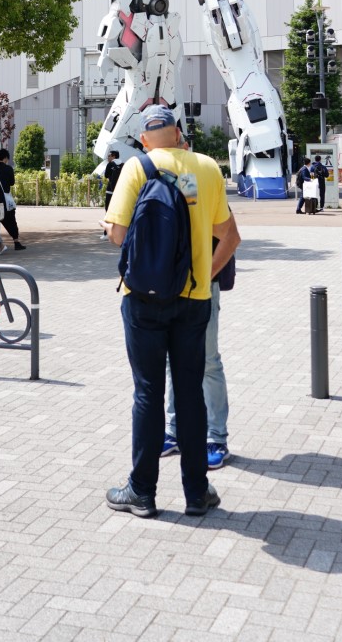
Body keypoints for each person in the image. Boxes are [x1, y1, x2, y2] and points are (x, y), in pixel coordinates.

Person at [104, 104, 241, 519]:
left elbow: (116, 234)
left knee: (148, 392)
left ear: (144, 139)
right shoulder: (206, 168)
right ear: (179, 132)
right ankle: (196, 493)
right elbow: (230, 237)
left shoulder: (136, 168)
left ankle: (142, 493)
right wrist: (202, 274)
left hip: (143, 299)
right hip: (194, 301)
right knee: (190, 394)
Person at [162, 238, 233, 470]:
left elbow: (231, 237)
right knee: (172, 360)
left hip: (203, 286)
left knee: (208, 361)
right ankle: (174, 430)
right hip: (172, 283)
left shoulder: (211, 199)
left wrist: (205, 276)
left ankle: (216, 437)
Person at [0, 149, 25, 251]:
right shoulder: (8, 168)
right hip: (5, 200)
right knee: (11, 220)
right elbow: (12, 183)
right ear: (5, 157)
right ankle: (16, 242)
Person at [101, 150, 123, 238]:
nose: (108, 157)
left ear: (113, 156)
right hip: (120, 191)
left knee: (108, 211)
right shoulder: (123, 164)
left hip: (110, 190)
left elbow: (106, 175)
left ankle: (106, 233)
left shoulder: (110, 164)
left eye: (109, 155)